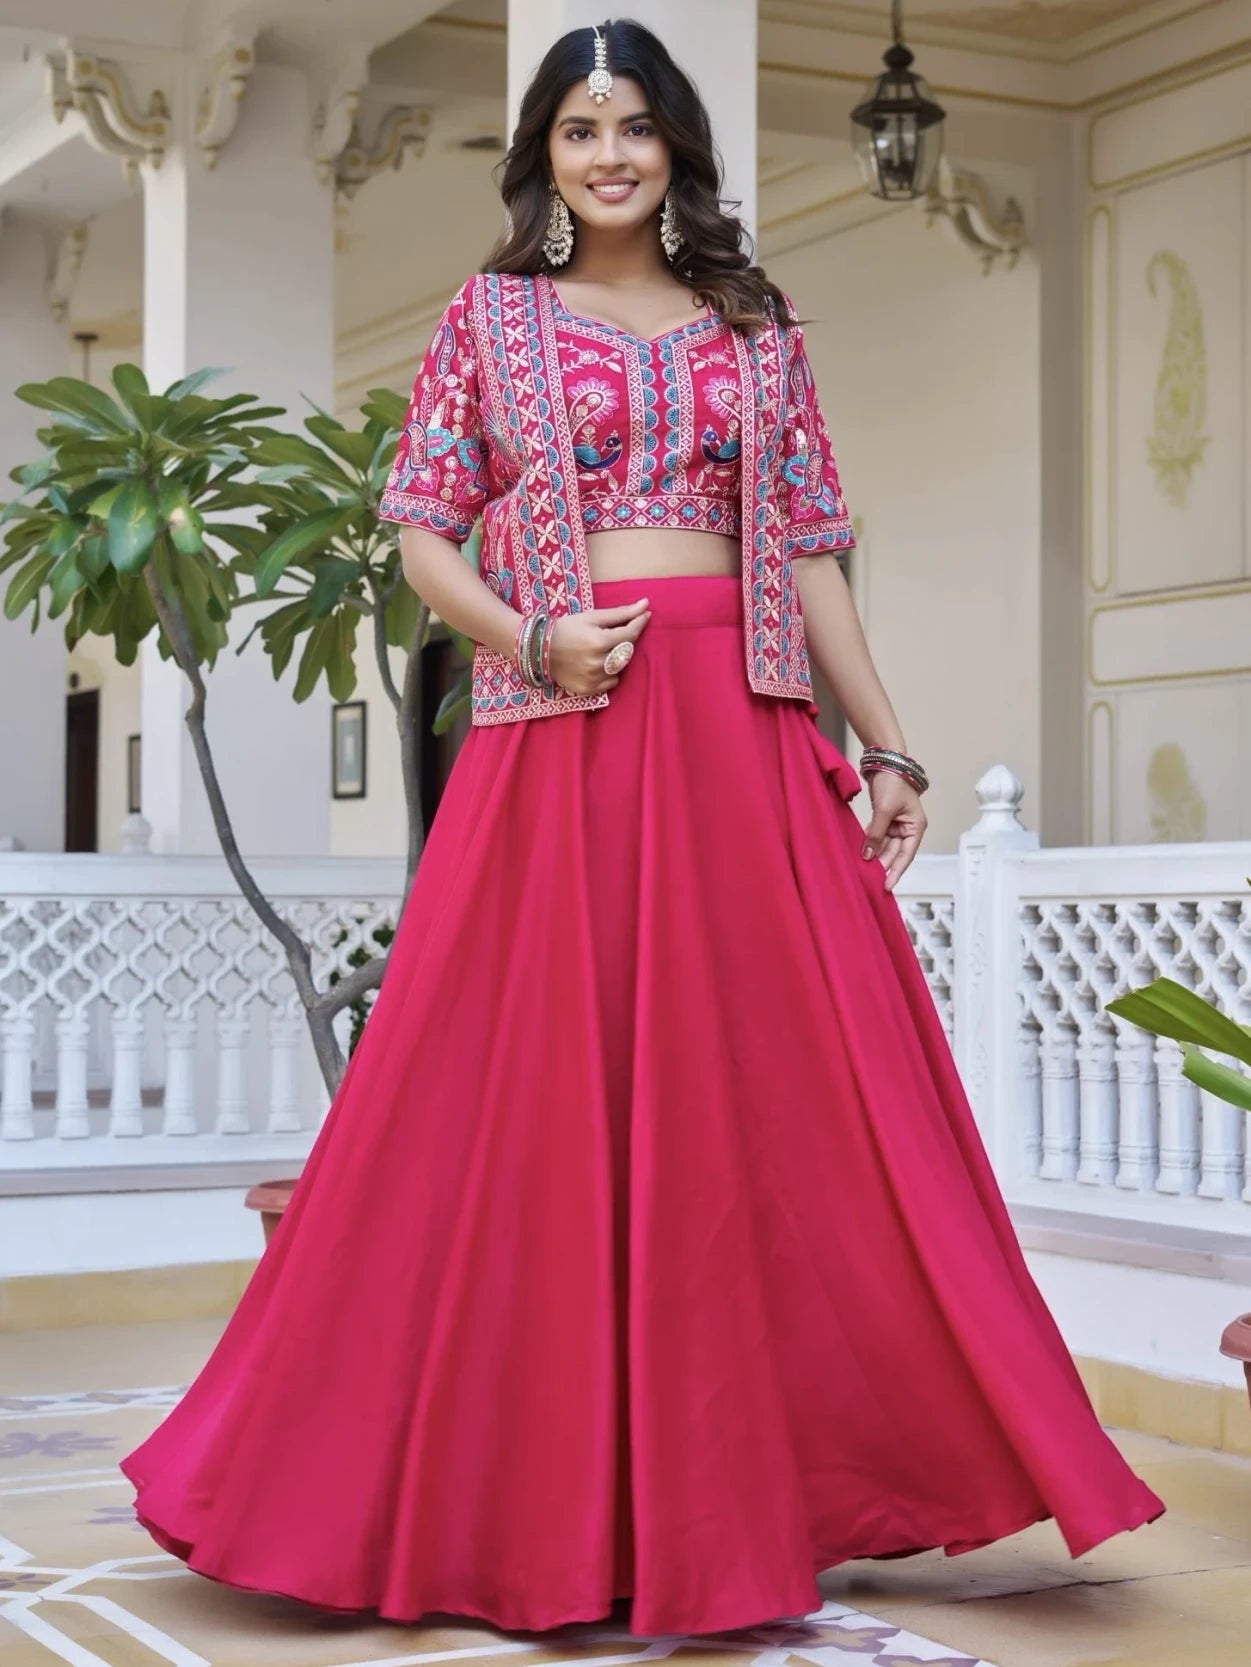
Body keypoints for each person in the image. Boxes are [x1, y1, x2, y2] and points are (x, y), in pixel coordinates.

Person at [121, 17, 1165, 1641]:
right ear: (543, 153)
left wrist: (886, 747)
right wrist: (533, 639)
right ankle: (521, 1504)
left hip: (740, 735)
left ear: (678, 145)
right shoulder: (494, 317)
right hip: (569, 727)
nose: (610, 154)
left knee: (789, 1107)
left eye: (636, 127)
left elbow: (809, 547)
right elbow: (418, 532)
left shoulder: (753, 326)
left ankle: (766, 1491)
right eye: (580, 128)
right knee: (529, 1103)